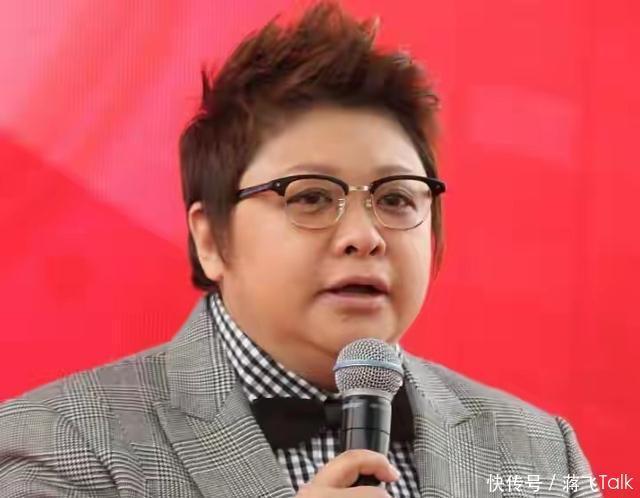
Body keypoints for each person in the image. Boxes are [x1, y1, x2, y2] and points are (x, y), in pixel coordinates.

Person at [0, 2, 601, 497]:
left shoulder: (542, 453)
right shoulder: (57, 444)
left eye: (395, 198)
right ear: (211, 238)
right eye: (311, 197)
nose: (365, 235)